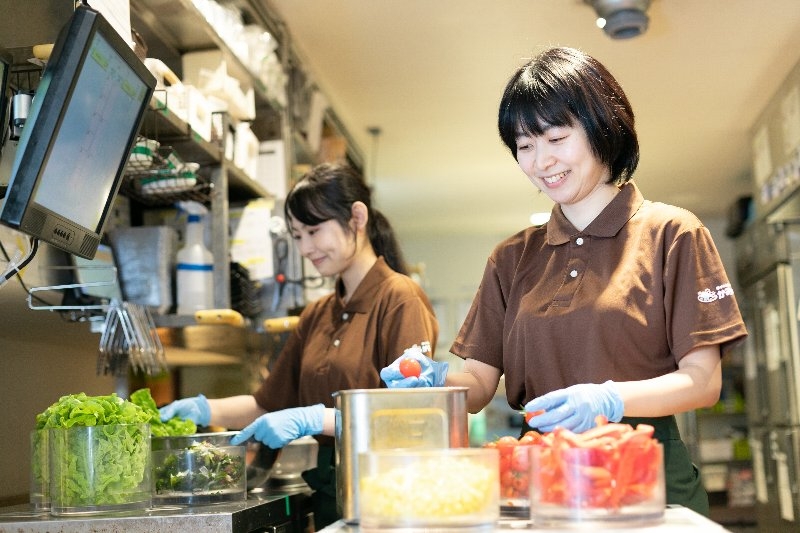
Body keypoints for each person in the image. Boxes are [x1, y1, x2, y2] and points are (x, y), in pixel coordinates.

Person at [380, 46, 747, 516]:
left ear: (602, 127)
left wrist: (609, 399)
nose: (541, 161)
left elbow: (702, 382)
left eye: (556, 137)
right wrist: (430, 379)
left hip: (643, 477)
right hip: (536, 480)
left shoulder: (672, 233)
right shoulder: (511, 257)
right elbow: (477, 387)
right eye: (525, 146)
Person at [160, 162, 438, 528]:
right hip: (333, 494)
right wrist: (200, 410)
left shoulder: (400, 298)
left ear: (357, 217)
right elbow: (267, 404)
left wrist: (313, 418)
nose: (305, 248)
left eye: (314, 231)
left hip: (389, 496)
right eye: (297, 235)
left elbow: (409, 417)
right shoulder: (318, 313)